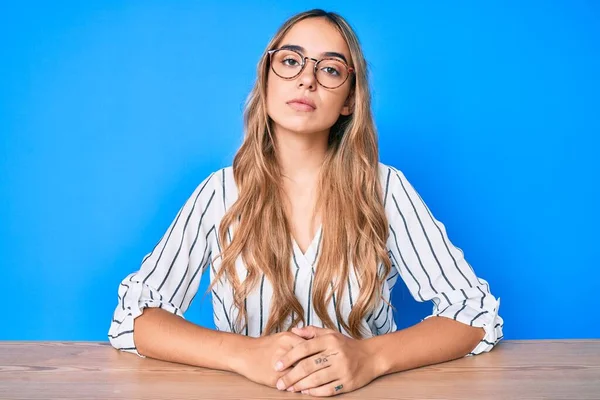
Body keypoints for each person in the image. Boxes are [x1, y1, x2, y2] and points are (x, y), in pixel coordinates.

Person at [108, 8, 503, 397]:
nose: (306, 80)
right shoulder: (220, 193)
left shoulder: (386, 189)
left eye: (330, 69)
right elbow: (134, 318)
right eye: (291, 61)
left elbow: (474, 312)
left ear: (350, 99)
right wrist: (243, 355)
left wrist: (369, 357)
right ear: (266, 82)